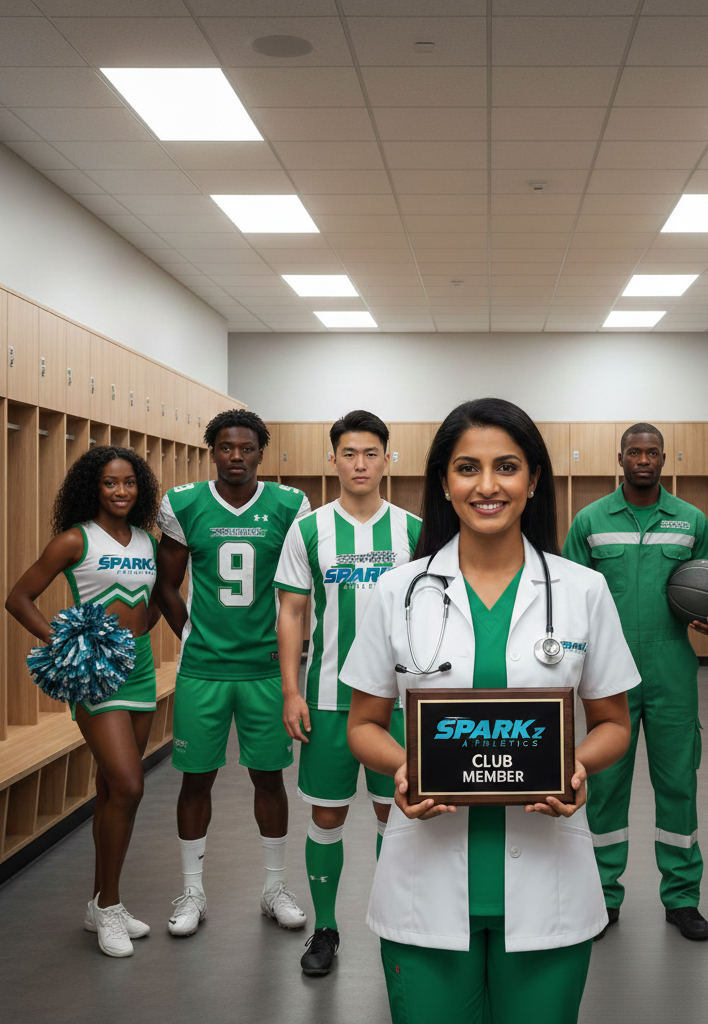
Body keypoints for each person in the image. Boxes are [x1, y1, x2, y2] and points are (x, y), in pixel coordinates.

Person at [344, 398, 636, 1024]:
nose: (487, 485)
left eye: (506, 467)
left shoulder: (583, 590)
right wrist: (403, 768)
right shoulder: (397, 591)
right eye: (467, 468)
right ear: (444, 484)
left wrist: (576, 767)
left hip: (549, 885)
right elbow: (363, 725)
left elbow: (614, 724)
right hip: (423, 885)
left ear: (532, 480)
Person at [561, 423, 708, 941]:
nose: (644, 459)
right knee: (604, 787)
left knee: (679, 785)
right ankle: (601, 895)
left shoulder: (690, 520)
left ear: (665, 459)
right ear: (620, 458)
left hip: (671, 669)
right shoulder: (591, 520)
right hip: (606, 674)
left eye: (653, 453)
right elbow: (570, 597)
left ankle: (682, 898)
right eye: (635, 452)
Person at [275, 410, 421, 977]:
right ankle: (326, 929)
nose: (360, 463)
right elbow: (291, 611)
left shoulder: (412, 529)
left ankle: (394, 928)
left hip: (401, 703)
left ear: (387, 459)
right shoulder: (309, 530)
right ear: (332, 459)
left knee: (397, 814)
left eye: (371, 453)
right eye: (349, 453)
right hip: (331, 698)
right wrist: (291, 690)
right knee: (327, 817)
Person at [154, 410, 311, 937]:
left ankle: (273, 885)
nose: (236, 457)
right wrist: (191, 635)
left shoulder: (289, 506)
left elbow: (298, 589)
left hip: (266, 669)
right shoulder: (185, 503)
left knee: (269, 777)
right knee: (196, 778)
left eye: (246, 448)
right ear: (213, 451)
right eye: (225, 447)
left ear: (261, 452)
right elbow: (166, 585)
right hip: (204, 669)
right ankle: (192, 889)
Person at [5, 446, 162, 958]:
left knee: (112, 791)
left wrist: (139, 641)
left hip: (138, 669)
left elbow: (153, 603)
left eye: (129, 483)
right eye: (110, 483)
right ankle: (111, 905)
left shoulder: (145, 540)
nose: (120, 492)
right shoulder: (75, 539)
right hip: (96, 674)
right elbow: (18, 597)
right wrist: (65, 644)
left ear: (140, 488)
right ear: (92, 488)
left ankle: (100, 904)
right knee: (130, 785)